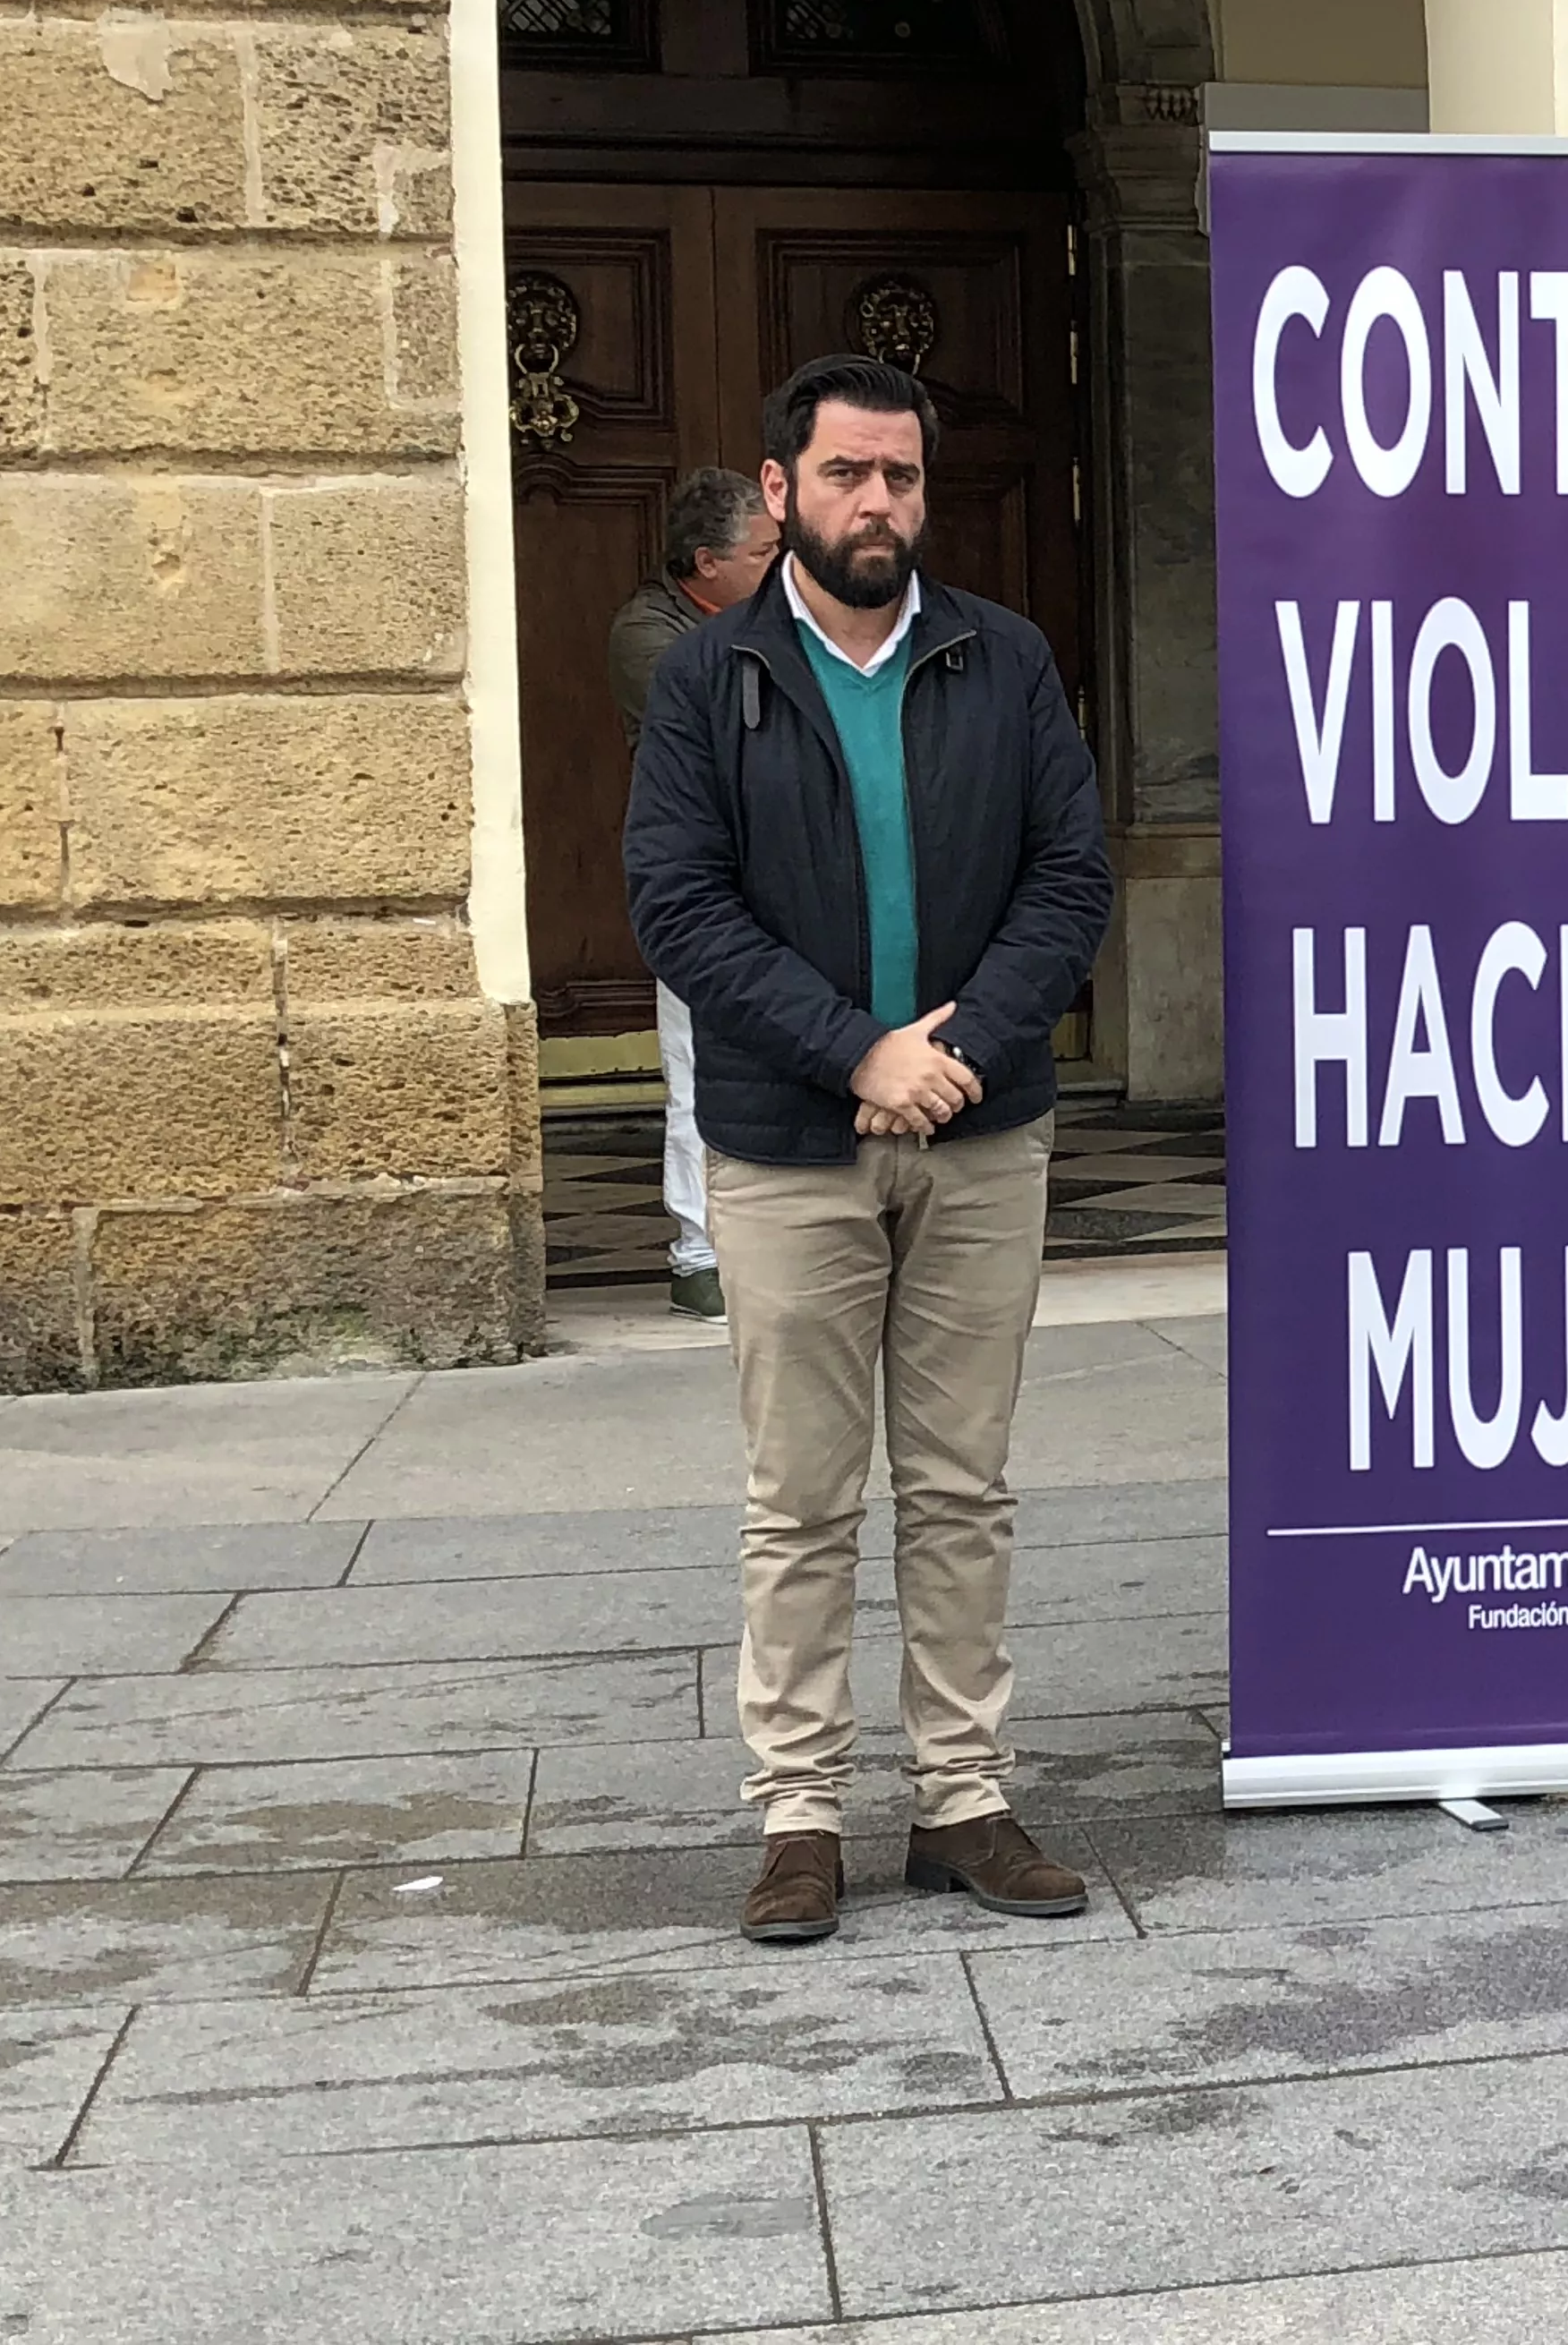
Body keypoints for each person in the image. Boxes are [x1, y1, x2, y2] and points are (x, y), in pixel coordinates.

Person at [626, 354, 1114, 1945]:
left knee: (963, 1485)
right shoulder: (713, 680)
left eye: (901, 476)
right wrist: (857, 1048)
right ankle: (802, 1817)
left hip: (981, 1133)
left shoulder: (1004, 654)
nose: (878, 503)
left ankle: (963, 1796)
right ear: (780, 492)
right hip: (790, 1144)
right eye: (846, 474)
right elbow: (678, 903)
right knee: (802, 1497)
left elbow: (1070, 875)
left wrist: (956, 1050)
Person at [609, 469, 782, 1318]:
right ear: (707, 564)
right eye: (763, 552)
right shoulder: (648, 633)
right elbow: (732, 720)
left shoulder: (783, 614)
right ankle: (698, 1252)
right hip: (702, 878)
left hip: (787, 871)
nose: (781, 563)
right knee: (697, 1063)